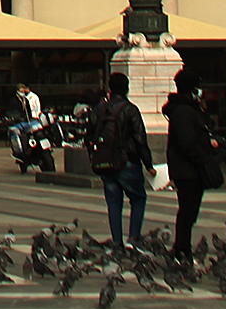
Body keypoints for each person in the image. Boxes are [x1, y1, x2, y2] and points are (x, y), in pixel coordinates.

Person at [87, 72, 152, 254]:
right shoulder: (130, 109)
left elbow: (89, 134)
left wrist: (94, 155)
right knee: (138, 198)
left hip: (105, 162)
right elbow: (140, 139)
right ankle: (134, 238)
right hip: (127, 160)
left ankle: (117, 241)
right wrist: (148, 164)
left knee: (114, 203)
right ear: (127, 89)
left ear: (109, 89)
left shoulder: (99, 109)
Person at [162, 70, 218, 264]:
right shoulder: (183, 111)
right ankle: (182, 249)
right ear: (192, 88)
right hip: (188, 170)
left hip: (188, 169)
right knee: (187, 211)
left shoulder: (189, 109)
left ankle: (182, 247)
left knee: (189, 211)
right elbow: (187, 142)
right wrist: (204, 158)